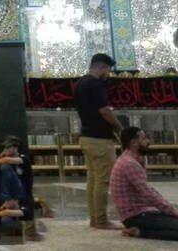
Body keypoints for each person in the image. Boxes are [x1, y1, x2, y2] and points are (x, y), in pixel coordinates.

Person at [110, 127, 178, 241]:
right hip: (135, 216)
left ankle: (141, 229)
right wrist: (176, 213)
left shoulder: (131, 160)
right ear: (134, 142)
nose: (148, 141)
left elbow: (150, 191)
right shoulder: (129, 164)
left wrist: (172, 212)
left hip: (142, 212)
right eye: (144, 138)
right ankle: (139, 231)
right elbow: (149, 195)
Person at [74, 53, 122, 229]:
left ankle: (95, 219)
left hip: (86, 137)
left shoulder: (81, 83)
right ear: (102, 67)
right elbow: (104, 111)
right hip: (100, 139)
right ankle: (101, 220)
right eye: (108, 70)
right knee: (103, 180)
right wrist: (120, 128)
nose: (108, 74)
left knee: (93, 179)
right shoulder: (95, 84)